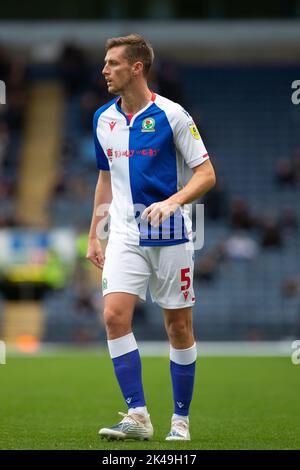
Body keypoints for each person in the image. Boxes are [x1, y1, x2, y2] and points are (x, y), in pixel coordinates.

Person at [86, 34, 216, 441]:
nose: (104, 70)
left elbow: (207, 174)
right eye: (105, 64)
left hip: (172, 235)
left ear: (136, 67)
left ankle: (181, 421)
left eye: (112, 63)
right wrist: (95, 233)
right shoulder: (103, 119)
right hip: (124, 232)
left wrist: (173, 202)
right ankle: (138, 416)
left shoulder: (173, 115)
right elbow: (105, 181)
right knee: (113, 316)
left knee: (178, 327)